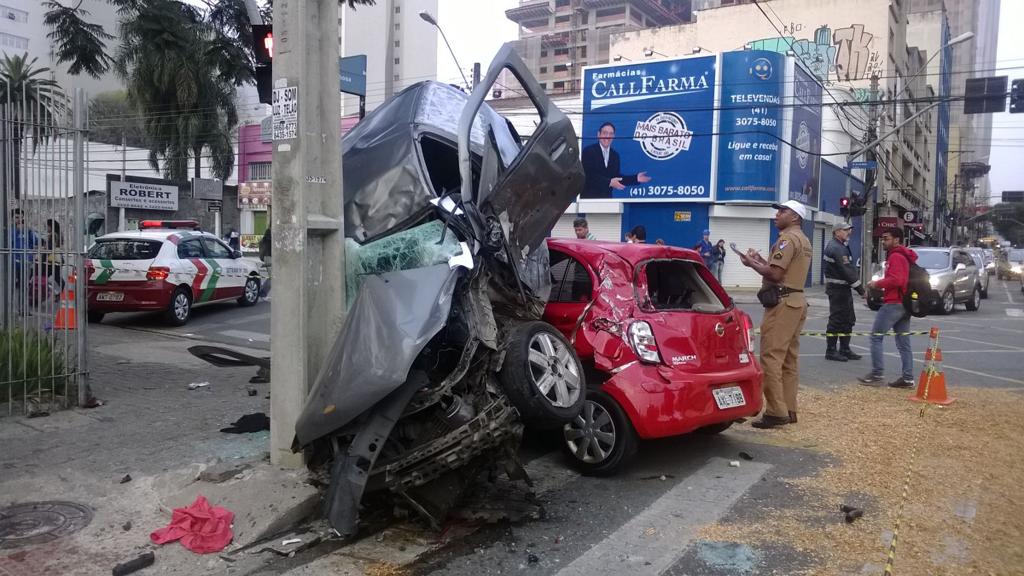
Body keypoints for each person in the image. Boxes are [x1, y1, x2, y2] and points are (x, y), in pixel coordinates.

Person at [738, 200, 812, 429]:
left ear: (795, 217)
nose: (777, 215)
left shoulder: (787, 239)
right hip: (796, 301)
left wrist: (751, 264)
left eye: (782, 211)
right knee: (789, 359)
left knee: (771, 357)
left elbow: (776, 274)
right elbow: (783, 270)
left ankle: (776, 412)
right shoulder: (804, 239)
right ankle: (789, 409)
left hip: (782, 302)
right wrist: (760, 261)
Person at [858, 227, 916, 389]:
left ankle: (877, 374)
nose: (883, 241)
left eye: (886, 238)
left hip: (893, 302)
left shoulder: (896, 256)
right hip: (904, 303)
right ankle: (908, 378)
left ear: (897, 240)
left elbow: (897, 280)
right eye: (883, 238)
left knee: (876, 337)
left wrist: (876, 283)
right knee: (903, 341)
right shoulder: (905, 255)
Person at [823, 222, 864, 362]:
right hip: (837, 290)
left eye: (849, 230)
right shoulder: (836, 248)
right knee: (837, 320)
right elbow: (846, 271)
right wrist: (861, 290)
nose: (849, 233)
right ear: (837, 232)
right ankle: (831, 351)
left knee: (848, 319)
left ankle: (845, 349)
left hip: (843, 290)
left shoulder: (841, 246)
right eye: (846, 230)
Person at [581, 122, 651, 199]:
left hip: (607, 200)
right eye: (605, 133)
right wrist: (609, 182)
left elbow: (616, 177)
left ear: (613, 136)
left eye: (611, 134)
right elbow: (589, 175)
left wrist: (635, 178)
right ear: (598, 134)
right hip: (589, 200)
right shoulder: (589, 151)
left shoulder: (615, 155)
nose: (608, 136)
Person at [9, 209, 39, 311]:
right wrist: (17, 231)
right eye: (17, 217)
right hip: (12, 262)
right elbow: (7, 243)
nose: (19, 219)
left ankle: (22, 309)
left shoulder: (27, 230)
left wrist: (30, 230)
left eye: (21, 217)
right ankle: (8, 310)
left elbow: (35, 242)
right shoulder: (9, 230)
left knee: (24, 287)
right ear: (12, 218)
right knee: (10, 286)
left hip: (25, 262)